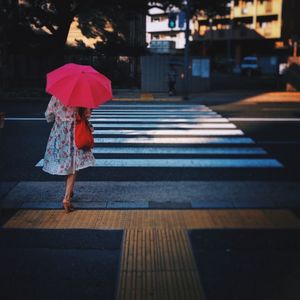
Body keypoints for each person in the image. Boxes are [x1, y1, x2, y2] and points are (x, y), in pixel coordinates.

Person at [42, 96, 95, 213]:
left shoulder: (56, 96)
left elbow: (49, 116)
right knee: (73, 165)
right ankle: (66, 198)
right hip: (76, 133)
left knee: (66, 163)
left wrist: (61, 116)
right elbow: (87, 115)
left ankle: (69, 191)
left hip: (60, 133)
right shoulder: (82, 97)